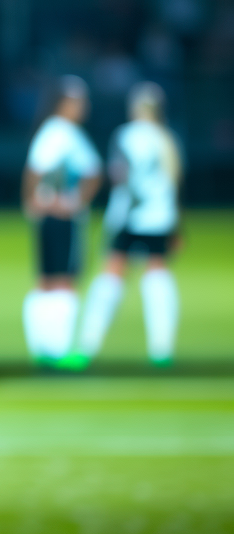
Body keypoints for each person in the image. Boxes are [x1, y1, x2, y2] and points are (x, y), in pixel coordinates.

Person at [76, 82, 182, 366]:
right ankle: (162, 350)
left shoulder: (125, 135)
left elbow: (118, 175)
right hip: (160, 217)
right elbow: (174, 183)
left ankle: (88, 346)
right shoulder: (167, 138)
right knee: (157, 274)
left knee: (111, 275)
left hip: (128, 216)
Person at [21, 76, 102, 364]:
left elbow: (33, 172)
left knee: (46, 278)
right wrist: (73, 201)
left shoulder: (50, 131)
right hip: (62, 217)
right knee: (64, 278)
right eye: (80, 101)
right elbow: (94, 171)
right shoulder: (64, 132)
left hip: (47, 215)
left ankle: (42, 346)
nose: (84, 107)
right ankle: (58, 348)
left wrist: (32, 202)